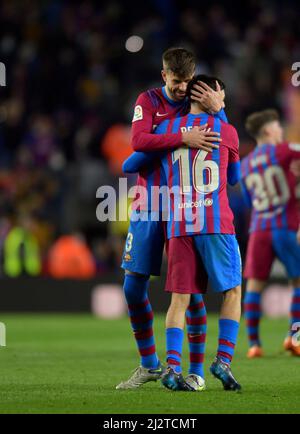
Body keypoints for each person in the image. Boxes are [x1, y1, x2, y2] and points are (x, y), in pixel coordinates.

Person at [116, 47, 226, 390]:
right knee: (133, 287)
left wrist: (220, 110)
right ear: (165, 75)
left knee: (190, 292)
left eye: (187, 82)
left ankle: (193, 372)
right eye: (176, 82)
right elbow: (137, 141)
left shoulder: (201, 96)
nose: (182, 89)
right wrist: (181, 137)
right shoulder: (148, 100)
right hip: (150, 203)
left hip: (188, 205)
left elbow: (224, 139)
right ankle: (149, 364)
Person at [240, 109, 300, 358]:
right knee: (298, 282)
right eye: (277, 126)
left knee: (254, 286)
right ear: (267, 130)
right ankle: (294, 338)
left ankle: (254, 344)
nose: (280, 131)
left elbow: (247, 202)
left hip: (258, 229)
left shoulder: (244, 165)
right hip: (284, 227)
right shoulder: (284, 150)